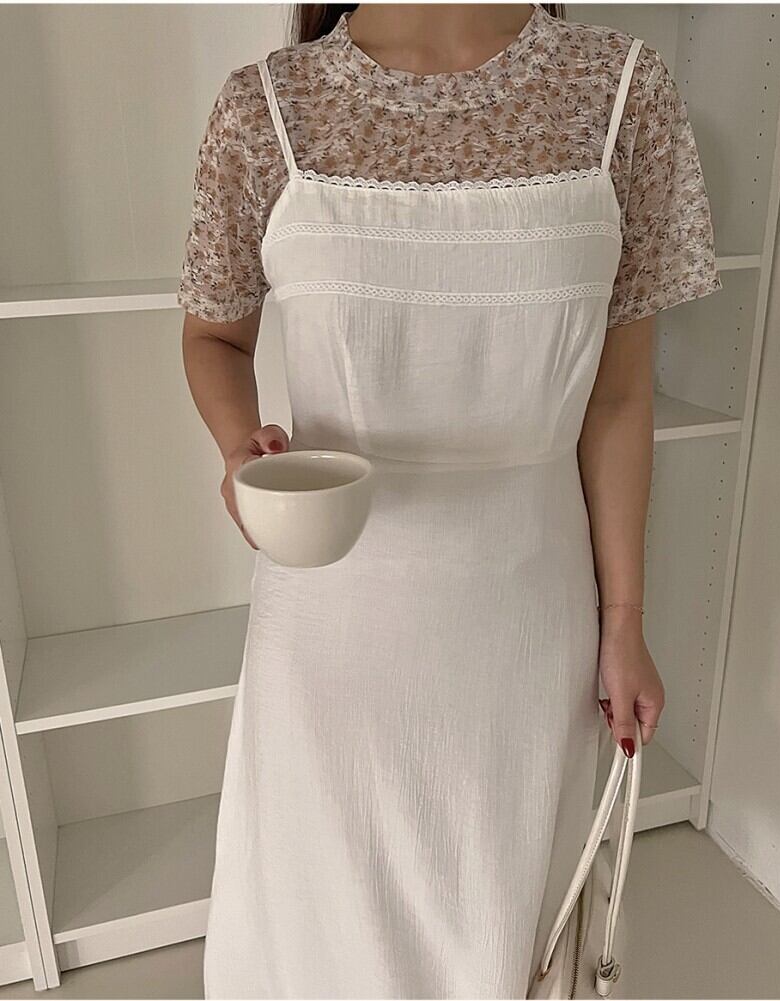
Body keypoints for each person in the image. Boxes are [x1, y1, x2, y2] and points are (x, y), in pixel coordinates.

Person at [178, 4, 722, 998]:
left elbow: (616, 396)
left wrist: (624, 622)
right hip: (330, 625)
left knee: (501, 924)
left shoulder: (622, 95)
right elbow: (214, 335)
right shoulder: (266, 107)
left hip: (525, 616)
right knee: (318, 932)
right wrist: (236, 448)